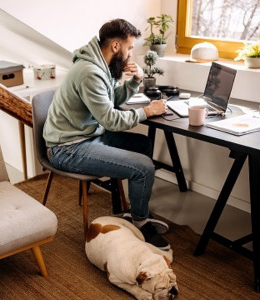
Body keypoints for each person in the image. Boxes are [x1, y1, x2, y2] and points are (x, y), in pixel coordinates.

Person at [43, 18, 170, 250]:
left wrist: (136, 81)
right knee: (143, 166)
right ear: (115, 46)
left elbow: (111, 101)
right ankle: (139, 222)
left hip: (89, 136)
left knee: (142, 145)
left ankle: (134, 210)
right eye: (130, 48)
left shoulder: (103, 65)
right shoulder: (90, 72)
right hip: (68, 148)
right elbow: (111, 119)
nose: (131, 54)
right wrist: (147, 111)